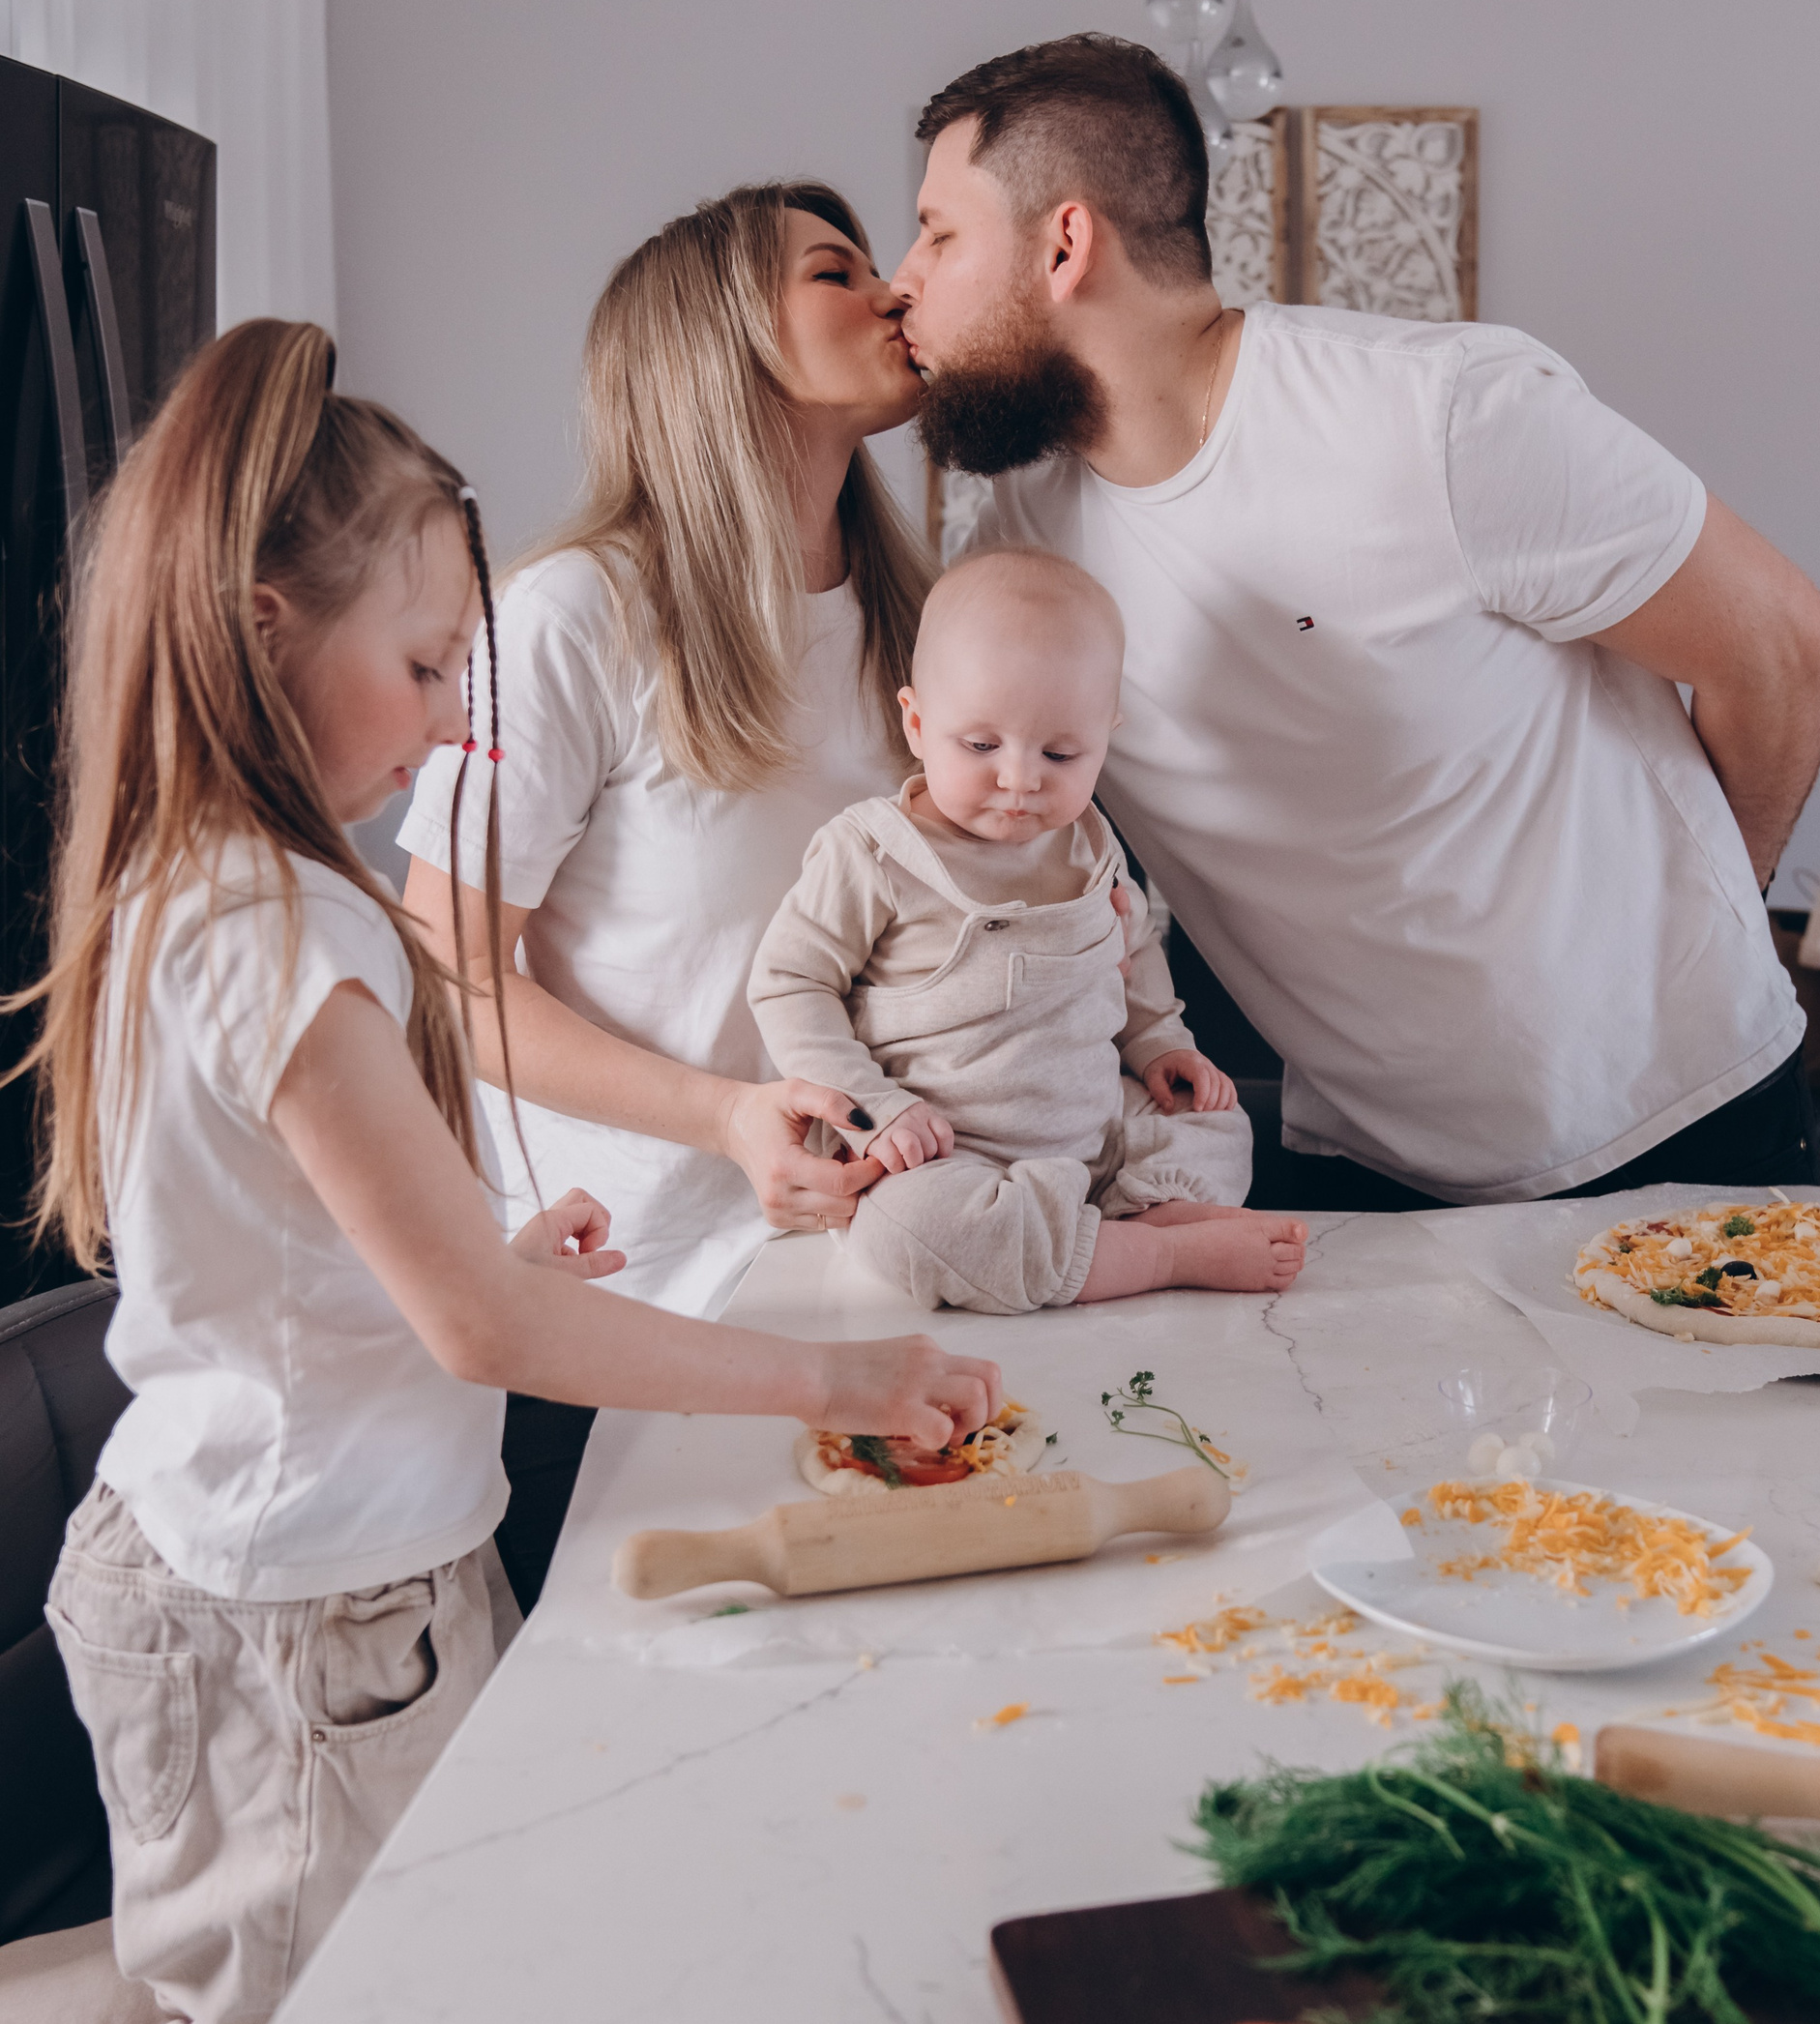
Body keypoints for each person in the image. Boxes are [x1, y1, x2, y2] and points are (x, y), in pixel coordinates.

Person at [14, 322, 998, 2024]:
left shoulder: (211, 880)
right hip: (301, 1624)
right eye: (421, 665)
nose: (453, 713)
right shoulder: (289, 928)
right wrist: (841, 1376)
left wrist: (498, 1233)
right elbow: (477, 1331)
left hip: (334, 1579)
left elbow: (299, 1236)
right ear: (266, 634)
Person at [892, 35, 1820, 1212]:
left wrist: (1702, 930)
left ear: (1064, 244)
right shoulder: (1025, 540)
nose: (904, 277)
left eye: (938, 233)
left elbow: (1782, 646)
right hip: (1376, 1165)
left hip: (1685, 1110)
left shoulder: (1439, 417)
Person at [398, 182, 923, 1603]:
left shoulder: (908, 615)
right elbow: (450, 973)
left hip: (864, 1278)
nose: (898, 293)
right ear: (721, 342)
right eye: (838, 271)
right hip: (630, 1309)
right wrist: (725, 1116)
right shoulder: (571, 616)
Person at [749, 545, 1304, 1311]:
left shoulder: (1090, 842)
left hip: (1093, 1130)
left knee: (1214, 1119)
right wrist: (875, 1112)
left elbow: (1131, 947)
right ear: (916, 722)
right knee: (907, 1232)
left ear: (1105, 736)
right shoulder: (875, 853)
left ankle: (1141, 1207)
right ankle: (1159, 1251)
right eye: (980, 745)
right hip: (944, 1151)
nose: (1020, 778)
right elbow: (790, 982)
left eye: (1061, 751)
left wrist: (1159, 1044)